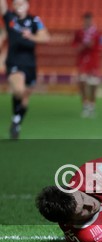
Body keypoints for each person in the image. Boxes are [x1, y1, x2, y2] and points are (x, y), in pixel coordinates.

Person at [1, 0, 50, 140]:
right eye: (16, 4)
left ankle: (16, 121)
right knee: (18, 90)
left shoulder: (34, 20)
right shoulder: (10, 18)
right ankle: (16, 120)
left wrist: (31, 36)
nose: (18, 6)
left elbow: (45, 37)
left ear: (27, 6)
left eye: (21, 3)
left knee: (24, 100)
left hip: (30, 64)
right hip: (13, 62)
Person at [73, 12, 102, 118]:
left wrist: (94, 46)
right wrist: (81, 46)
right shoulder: (79, 32)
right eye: (86, 19)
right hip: (82, 60)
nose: (88, 21)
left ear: (92, 20)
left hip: (94, 60)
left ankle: (92, 104)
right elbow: (74, 44)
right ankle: (85, 104)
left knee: (93, 83)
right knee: (82, 81)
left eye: (89, 19)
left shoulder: (98, 33)